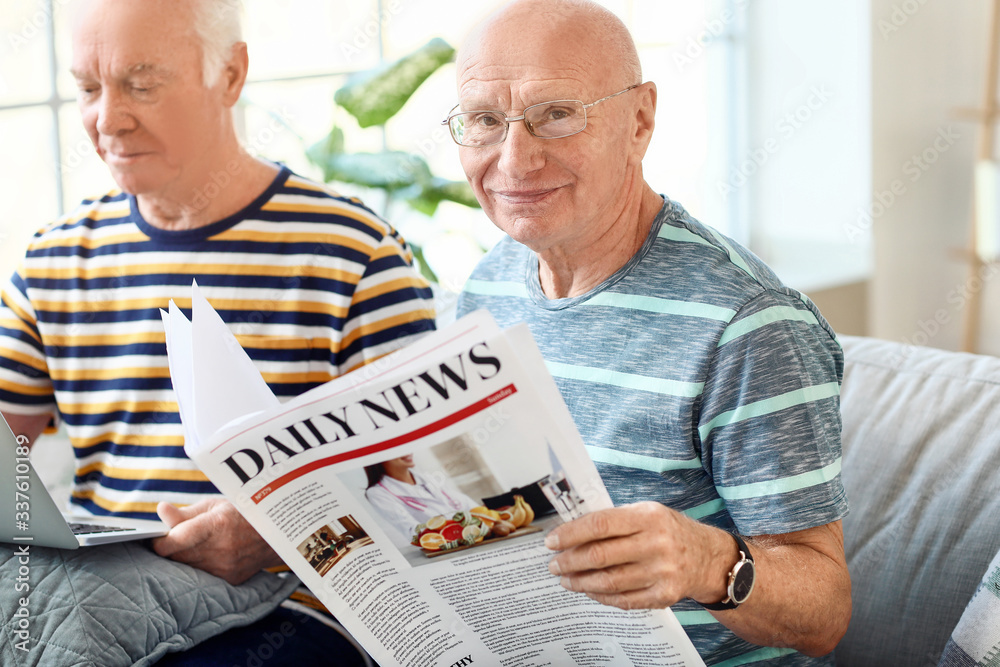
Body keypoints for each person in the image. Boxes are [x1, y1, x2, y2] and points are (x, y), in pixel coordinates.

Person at [0, 0, 434, 662]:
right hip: (102, 589)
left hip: (289, 601)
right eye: (88, 88)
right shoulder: (51, 259)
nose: (107, 119)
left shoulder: (354, 251)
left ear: (230, 75)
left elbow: (422, 485)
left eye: (141, 84)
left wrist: (287, 528)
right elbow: (10, 442)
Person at [448, 0, 851, 663]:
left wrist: (708, 562)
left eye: (556, 114)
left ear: (640, 120)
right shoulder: (488, 284)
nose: (515, 161)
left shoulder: (749, 323)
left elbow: (825, 612)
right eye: (486, 121)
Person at [363, 454, 480, 543]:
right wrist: (462, 524)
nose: (407, 452)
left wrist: (481, 516)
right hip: (443, 545)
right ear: (378, 456)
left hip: (471, 536)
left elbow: (467, 505)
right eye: (397, 451)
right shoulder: (377, 493)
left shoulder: (426, 477)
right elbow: (413, 532)